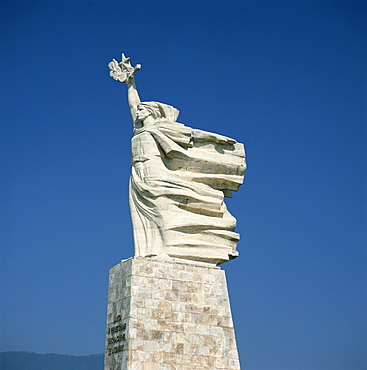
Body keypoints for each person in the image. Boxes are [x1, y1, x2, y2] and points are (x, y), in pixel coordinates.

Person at [109, 55, 246, 265]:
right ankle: (148, 252)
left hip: (156, 172)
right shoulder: (139, 130)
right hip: (138, 174)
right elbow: (133, 106)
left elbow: (193, 135)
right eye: (138, 111)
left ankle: (168, 250)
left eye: (143, 110)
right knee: (143, 215)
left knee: (162, 210)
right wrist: (130, 84)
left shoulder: (161, 128)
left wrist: (216, 139)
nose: (138, 112)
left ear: (154, 113)